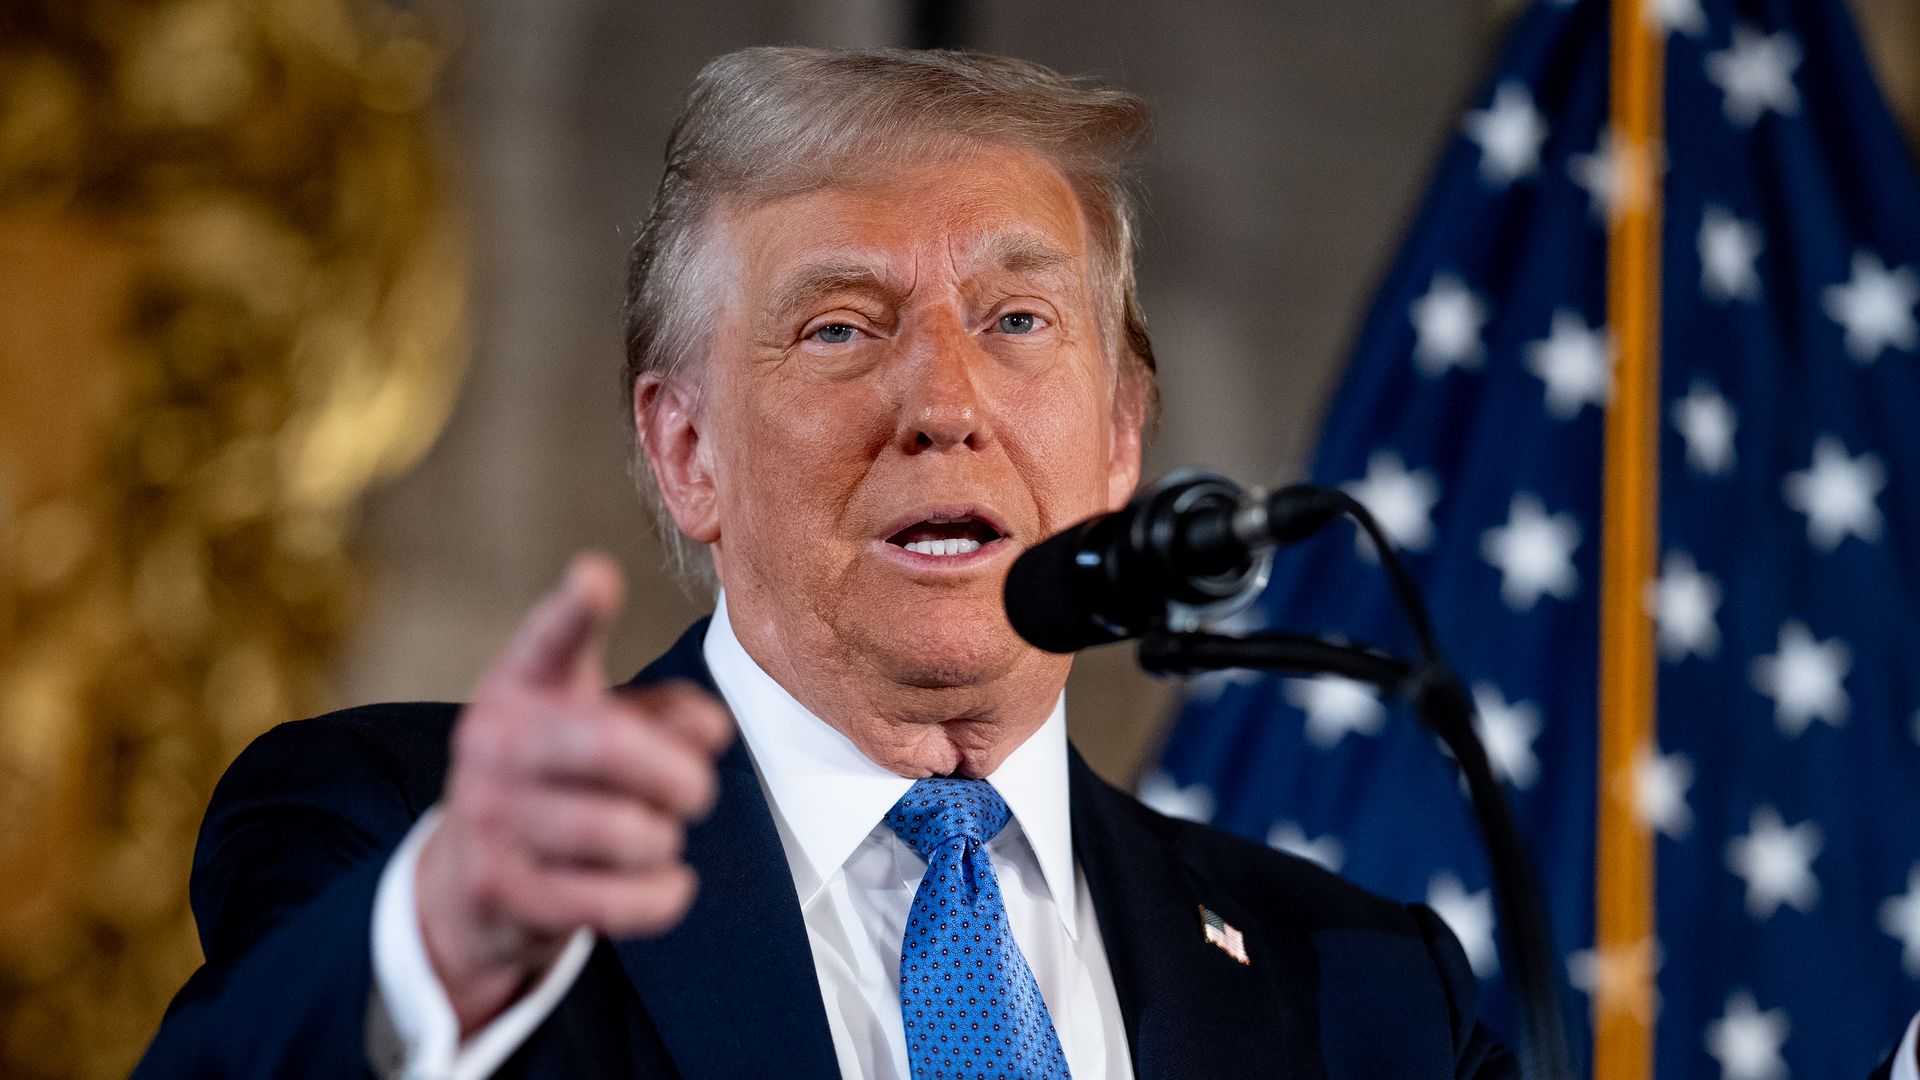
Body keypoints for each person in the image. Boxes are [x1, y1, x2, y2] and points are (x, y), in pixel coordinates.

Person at [131, 45, 1917, 1079]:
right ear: (683, 451)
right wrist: (437, 944)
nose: (944, 401)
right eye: (839, 328)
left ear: (1122, 441)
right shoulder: (396, 837)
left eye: (1017, 318)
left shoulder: (1358, 988)